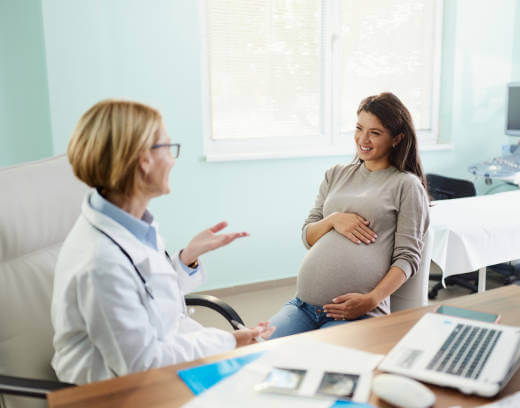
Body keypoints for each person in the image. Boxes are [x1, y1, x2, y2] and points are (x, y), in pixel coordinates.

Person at [51, 99, 274, 384]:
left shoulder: (131, 222)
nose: (172, 158)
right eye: (168, 147)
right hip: (115, 391)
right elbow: (143, 364)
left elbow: (147, 294)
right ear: (144, 160)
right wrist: (228, 341)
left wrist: (186, 259)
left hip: (157, 366)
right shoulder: (101, 261)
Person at [269, 92, 429, 338]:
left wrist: (371, 300)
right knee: (258, 350)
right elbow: (308, 236)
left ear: (396, 138)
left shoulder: (406, 185)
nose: (363, 139)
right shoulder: (336, 174)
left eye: (375, 133)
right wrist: (334, 219)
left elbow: (408, 258)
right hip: (303, 306)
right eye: (359, 128)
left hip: (359, 311)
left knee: (320, 367)